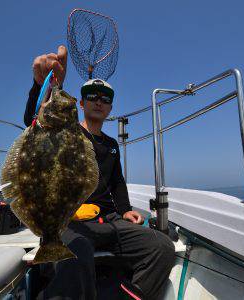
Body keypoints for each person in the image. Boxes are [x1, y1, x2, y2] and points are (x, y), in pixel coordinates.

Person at [24, 45, 175, 300]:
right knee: (72, 256)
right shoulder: (66, 131)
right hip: (70, 220)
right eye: (92, 96)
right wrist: (40, 87)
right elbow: (35, 121)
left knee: (162, 247)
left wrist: (126, 209)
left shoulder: (112, 145)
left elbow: (117, 181)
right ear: (81, 104)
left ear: (110, 108)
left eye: (105, 99)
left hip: (110, 219)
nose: (99, 101)